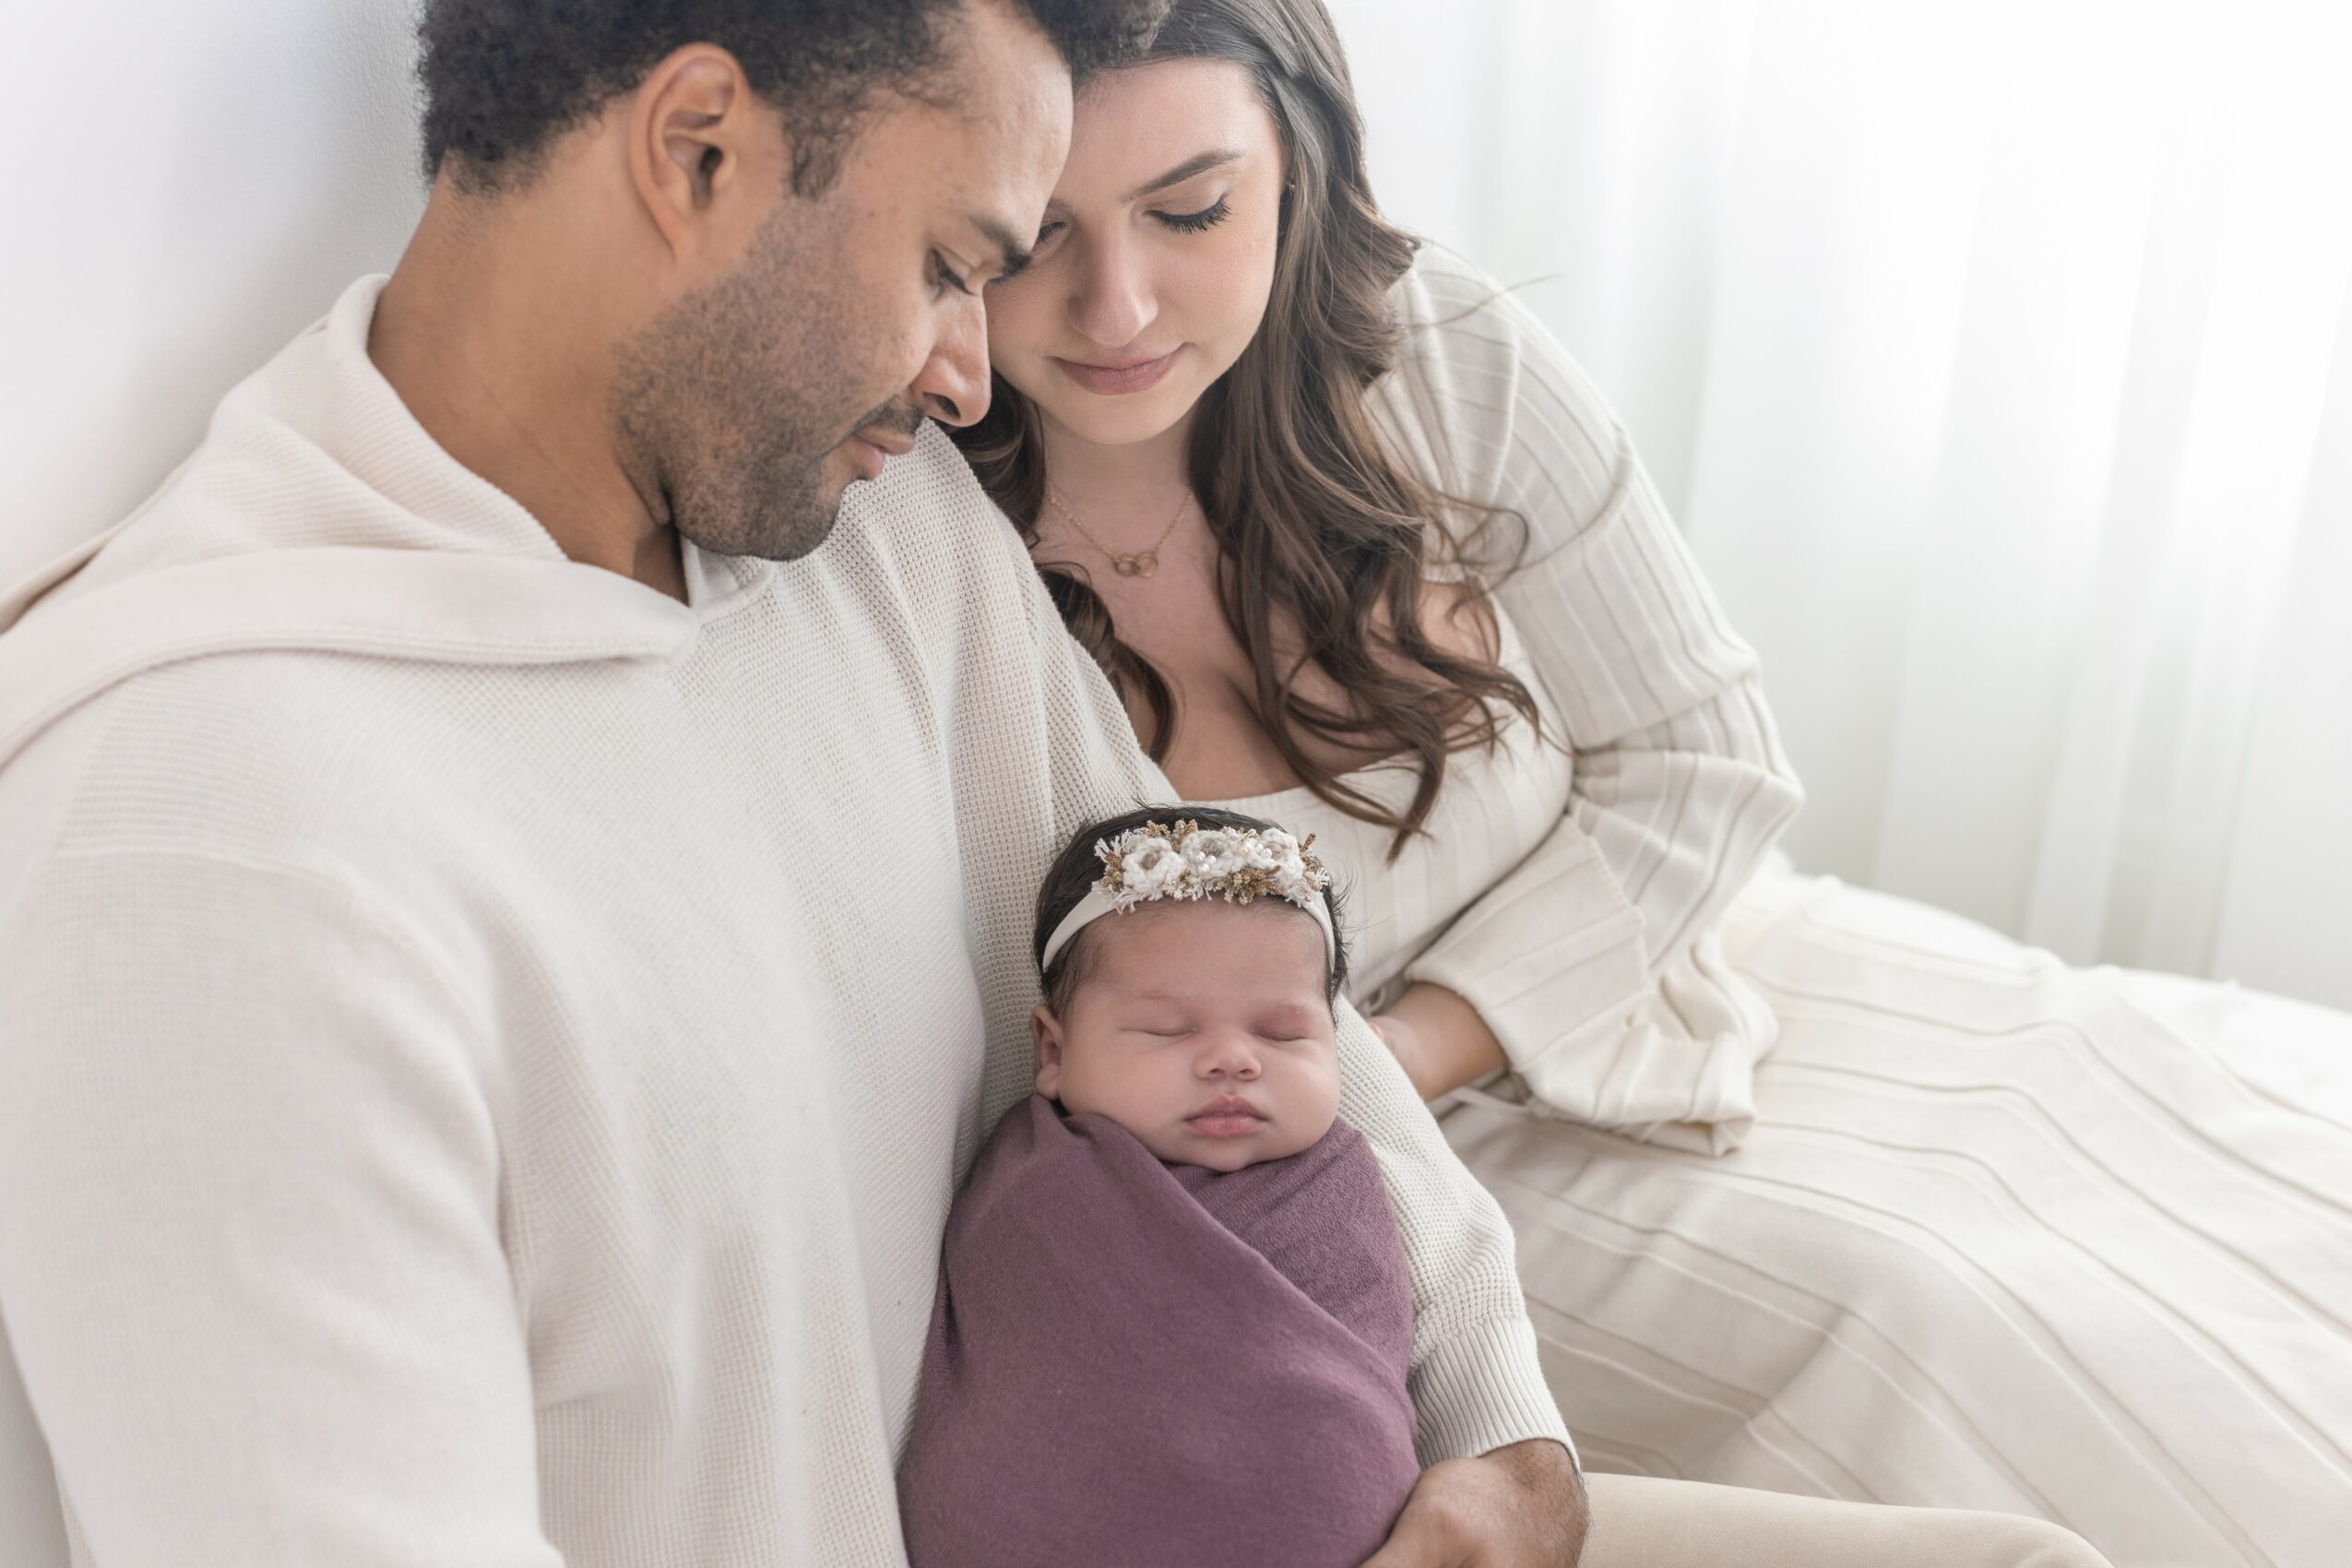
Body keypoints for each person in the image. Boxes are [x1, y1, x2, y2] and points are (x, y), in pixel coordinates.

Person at [0, 3, 1598, 1565]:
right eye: (952, 263)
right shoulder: (208, 859)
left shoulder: (879, 539)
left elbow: (1222, 935)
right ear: (696, 150)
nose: (973, 375)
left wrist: (1499, 1433)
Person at [956, 0, 2349, 1563]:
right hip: (1309, 1171)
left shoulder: (1437, 358)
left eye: (1194, 208)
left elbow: (1704, 760)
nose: (1118, 301)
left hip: (1653, 976)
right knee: (1962, 1320)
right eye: (1031, 238)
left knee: (2225, 1185)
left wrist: (1416, 1040)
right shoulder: (933, 559)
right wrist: (1346, 1088)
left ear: (1302, 170)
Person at [897, 807, 1427, 1568]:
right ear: (1052, 1050)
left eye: (1282, 1034)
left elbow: (1362, 1383)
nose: (1233, 1061)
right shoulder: (1038, 1187)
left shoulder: (1340, 1183)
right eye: (1168, 1030)